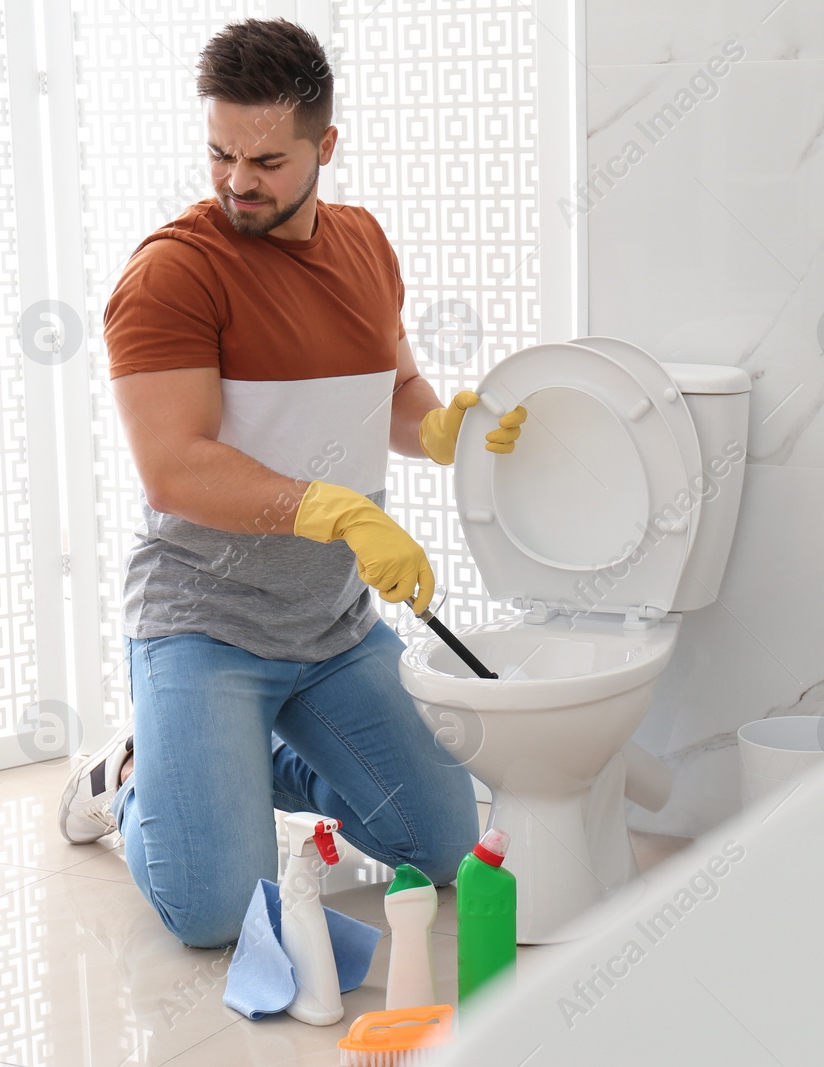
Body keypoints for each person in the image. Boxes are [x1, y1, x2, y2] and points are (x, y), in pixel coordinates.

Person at [54, 17, 526, 949]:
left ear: (326, 146)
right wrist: (335, 508)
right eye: (221, 152)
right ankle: (139, 770)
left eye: (267, 159)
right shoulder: (173, 275)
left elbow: (395, 395)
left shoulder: (364, 244)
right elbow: (174, 466)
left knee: (439, 846)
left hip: (335, 629)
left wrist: (445, 430)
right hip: (204, 624)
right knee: (216, 912)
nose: (238, 179)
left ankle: (235, 763)